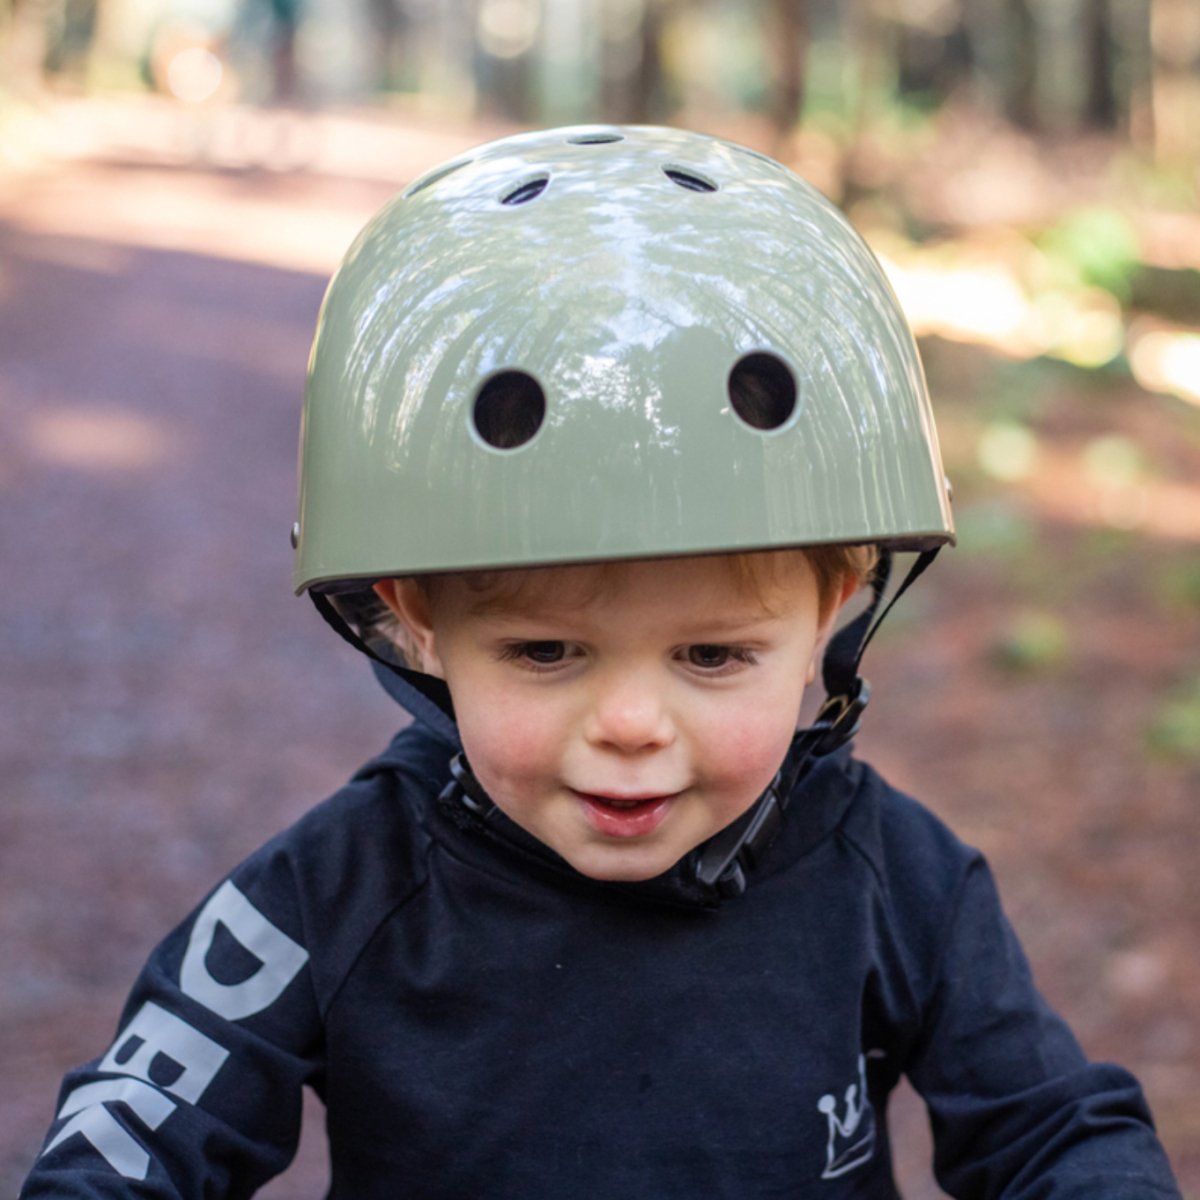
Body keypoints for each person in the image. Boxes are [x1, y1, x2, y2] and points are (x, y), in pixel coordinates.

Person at [20, 125, 1180, 1198]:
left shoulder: (891, 878)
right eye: (546, 651)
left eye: (714, 654)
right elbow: (139, 1118)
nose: (630, 723)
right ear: (415, 615)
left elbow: (1050, 1126)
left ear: (832, 610)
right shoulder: (341, 890)